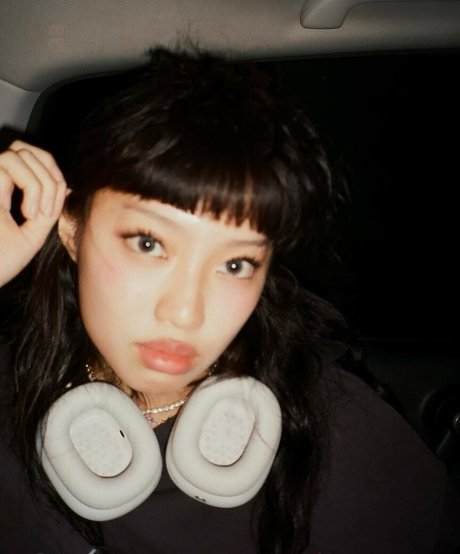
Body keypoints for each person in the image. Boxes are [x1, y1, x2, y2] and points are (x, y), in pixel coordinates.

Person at [0, 48, 459, 554]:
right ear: (71, 228)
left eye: (236, 264)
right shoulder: (9, 388)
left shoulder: (345, 440)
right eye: (149, 243)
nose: (185, 312)